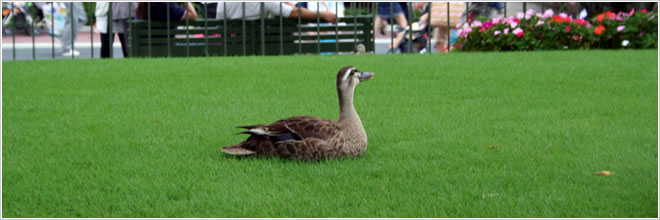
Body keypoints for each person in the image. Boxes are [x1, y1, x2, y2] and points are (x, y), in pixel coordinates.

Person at [215, 2, 337, 23]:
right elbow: (295, 13)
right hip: (265, 48)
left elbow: (219, 24)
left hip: (234, 48)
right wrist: (324, 14)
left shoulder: (223, 3)